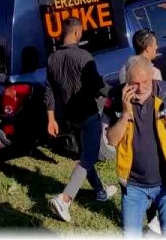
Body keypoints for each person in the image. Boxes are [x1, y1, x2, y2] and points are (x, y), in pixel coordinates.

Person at [105, 56, 166, 237]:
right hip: (133, 186)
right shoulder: (115, 98)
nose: (141, 87)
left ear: (152, 76)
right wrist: (125, 112)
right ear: (126, 82)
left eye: (145, 81)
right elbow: (112, 140)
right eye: (134, 83)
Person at [45, 17, 117, 223]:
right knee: (88, 158)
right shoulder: (84, 56)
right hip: (87, 115)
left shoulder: (52, 58)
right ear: (77, 33)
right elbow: (96, 83)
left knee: (86, 155)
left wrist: (50, 118)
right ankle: (64, 199)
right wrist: (115, 94)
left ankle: (100, 191)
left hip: (69, 116)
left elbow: (48, 91)